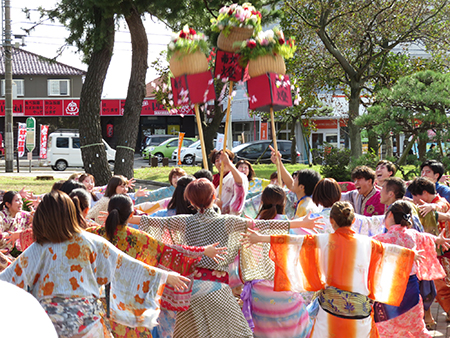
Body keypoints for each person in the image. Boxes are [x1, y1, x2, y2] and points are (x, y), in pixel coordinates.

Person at [134, 178, 324, 338]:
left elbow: (152, 222)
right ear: (214, 197)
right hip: (217, 290)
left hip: (189, 291)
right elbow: (262, 226)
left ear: (190, 201)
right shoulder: (228, 222)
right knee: (239, 334)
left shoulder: (183, 221)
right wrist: (302, 222)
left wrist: (123, 219)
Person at [0, 190, 190, 337]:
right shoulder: (89, 241)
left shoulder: (37, 250)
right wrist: (165, 276)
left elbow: (6, 282)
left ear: (42, 218)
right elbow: (125, 265)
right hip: (87, 325)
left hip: (48, 325)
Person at [242, 201, 421, 338]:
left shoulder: (323, 240)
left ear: (331, 221)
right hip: (359, 313)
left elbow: (291, 241)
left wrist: (260, 239)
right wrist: (411, 255)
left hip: (330, 312)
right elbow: (392, 252)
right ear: (353, 220)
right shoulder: (369, 243)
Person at [87, 194, 226, 338]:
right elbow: (171, 251)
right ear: (132, 214)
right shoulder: (141, 239)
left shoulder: (91, 236)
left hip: (97, 302)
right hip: (131, 305)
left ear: (108, 213)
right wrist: (203, 250)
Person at [240, 185, 312, 337]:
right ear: (283, 202)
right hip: (283, 290)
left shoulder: (252, 225)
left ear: (262, 201)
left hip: (257, 293)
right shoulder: (288, 226)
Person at [372, 201, 449, 336]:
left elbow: (362, 246)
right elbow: (426, 237)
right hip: (411, 290)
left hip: (388, 292)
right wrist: (438, 240)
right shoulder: (412, 235)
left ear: (389, 215)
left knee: (385, 330)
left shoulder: (381, 239)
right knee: (417, 329)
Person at [270, 147, 320, 218]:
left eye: (296, 179)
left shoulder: (305, 207)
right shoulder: (306, 200)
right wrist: (278, 162)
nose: (293, 179)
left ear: (301, 187)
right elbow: (290, 183)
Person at [210, 150, 249, 215]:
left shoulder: (238, 176)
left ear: (230, 161)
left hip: (231, 219)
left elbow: (239, 185)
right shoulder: (213, 178)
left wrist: (228, 164)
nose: (220, 163)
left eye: (223, 160)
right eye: (217, 160)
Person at [0, 191, 33, 257]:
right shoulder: (1, 216)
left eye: (21, 200)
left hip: (13, 253)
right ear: (8, 204)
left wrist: (34, 217)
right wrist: (15, 234)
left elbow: (39, 221)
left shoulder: (23, 215)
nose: (21, 202)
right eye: (17, 200)